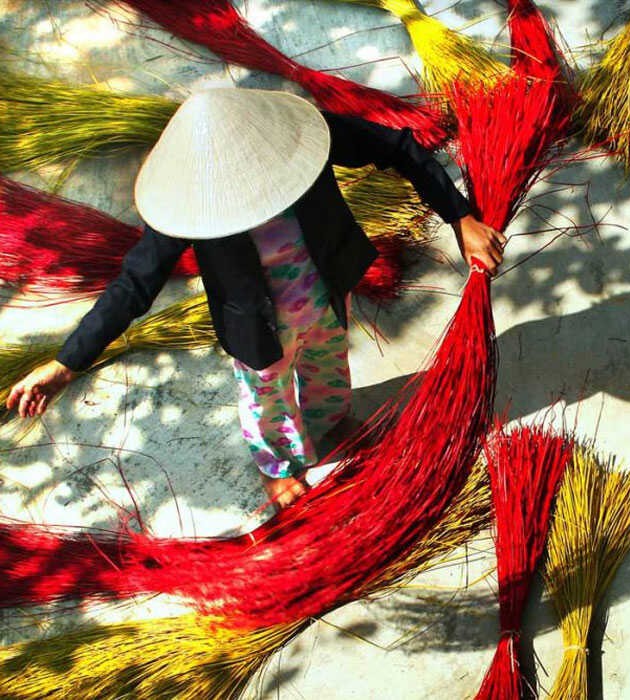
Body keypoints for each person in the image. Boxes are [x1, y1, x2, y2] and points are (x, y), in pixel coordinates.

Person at [5, 88, 505, 509]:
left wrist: (459, 218)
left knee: (329, 372)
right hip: (257, 330)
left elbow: (396, 146)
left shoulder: (297, 138)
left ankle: (329, 422)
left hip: (326, 296)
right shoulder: (187, 204)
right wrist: (67, 364)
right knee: (267, 397)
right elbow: (134, 284)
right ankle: (278, 464)